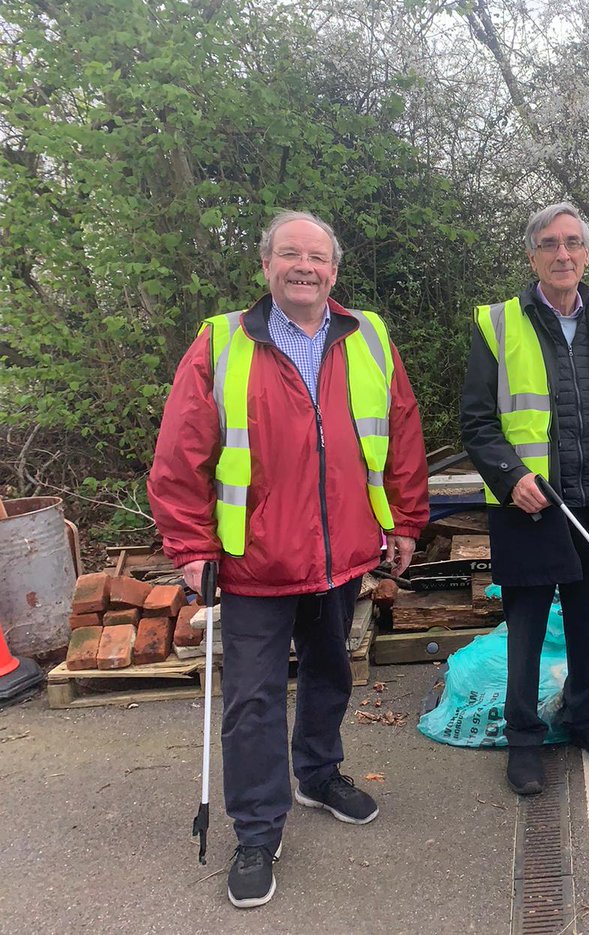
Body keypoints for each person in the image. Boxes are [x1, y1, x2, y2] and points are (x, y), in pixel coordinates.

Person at [148, 210, 428, 907]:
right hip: (254, 564)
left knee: (332, 673)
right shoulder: (221, 342)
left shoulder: (368, 336)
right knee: (251, 701)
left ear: (335, 270)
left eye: (318, 257)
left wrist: (406, 520)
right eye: (290, 255)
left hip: (342, 556)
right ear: (266, 265)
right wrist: (189, 547)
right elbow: (180, 454)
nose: (305, 267)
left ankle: (317, 772)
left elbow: (400, 433)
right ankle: (256, 827)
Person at [461, 202, 589, 795]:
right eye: (549, 244)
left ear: (587, 253)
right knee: (526, 622)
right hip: (531, 503)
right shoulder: (497, 323)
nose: (562, 253)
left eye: (573, 243)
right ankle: (523, 738)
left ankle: (584, 717)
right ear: (531, 254)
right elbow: (477, 422)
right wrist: (509, 476)